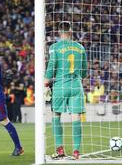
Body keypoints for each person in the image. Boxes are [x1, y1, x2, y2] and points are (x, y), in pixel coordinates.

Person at [45, 22, 88, 160]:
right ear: (71, 31)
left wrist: (45, 81)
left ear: (59, 32)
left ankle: (60, 149)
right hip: (76, 86)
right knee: (75, 118)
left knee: (56, 115)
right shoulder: (80, 47)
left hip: (60, 86)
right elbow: (84, 71)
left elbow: (52, 66)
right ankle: (76, 151)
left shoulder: (54, 47)